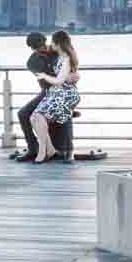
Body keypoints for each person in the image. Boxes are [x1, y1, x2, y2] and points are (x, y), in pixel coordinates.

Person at [16, 32, 74, 162]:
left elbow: (70, 64)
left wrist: (70, 76)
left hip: (63, 91)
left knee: (65, 109)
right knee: (23, 114)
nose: (42, 48)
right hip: (47, 92)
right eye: (38, 46)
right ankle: (33, 148)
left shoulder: (57, 51)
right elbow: (48, 79)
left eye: (42, 44)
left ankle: (68, 150)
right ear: (32, 48)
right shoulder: (32, 62)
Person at [32, 30, 82, 163]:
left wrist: (44, 76)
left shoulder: (66, 58)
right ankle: (50, 149)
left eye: (52, 42)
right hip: (56, 92)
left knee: (39, 116)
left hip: (65, 93)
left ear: (58, 43)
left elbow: (60, 80)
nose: (50, 44)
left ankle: (43, 151)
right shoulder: (57, 54)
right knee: (34, 118)